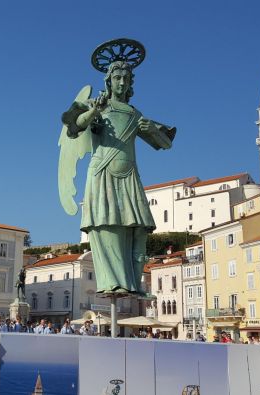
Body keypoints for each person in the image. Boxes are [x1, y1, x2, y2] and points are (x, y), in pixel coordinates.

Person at [59, 47, 175, 295]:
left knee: (137, 229)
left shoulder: (134, 113)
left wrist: (152, 130)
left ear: (131, 83)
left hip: (130, 175)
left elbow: (165, 143)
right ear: (109, 81)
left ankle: (133, 283)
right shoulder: (96, 105)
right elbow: (75, 126)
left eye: (126, 78)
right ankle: (112, 282)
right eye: (117, 78)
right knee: (108, 226)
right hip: (103, 173)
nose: (121, 82)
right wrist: (94, 111)